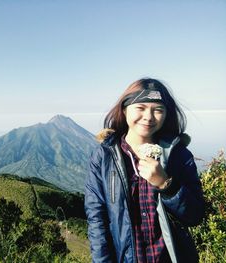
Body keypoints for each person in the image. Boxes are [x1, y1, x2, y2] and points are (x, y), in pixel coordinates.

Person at [84, 78, 205, 263]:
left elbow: (195, 215)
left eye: (158, 110)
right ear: (124, 110)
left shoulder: (178, 155)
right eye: (140, 108)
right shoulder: (104, 157)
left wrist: (165, 184)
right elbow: (97, 220)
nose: (148, 117)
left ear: (166, 115)